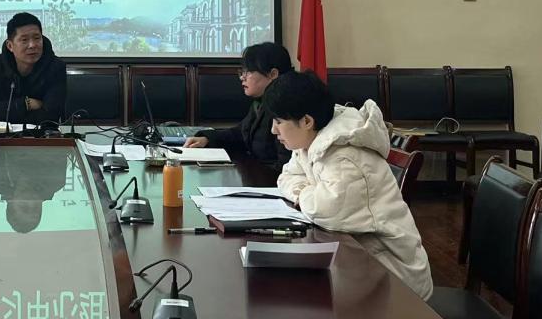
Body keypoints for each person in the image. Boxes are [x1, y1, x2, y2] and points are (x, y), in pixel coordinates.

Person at [266, 70, 433, 300]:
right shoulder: (309, 139)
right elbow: (286, 177)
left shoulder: (346, 156)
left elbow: (326, 210)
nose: (273, 130)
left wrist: (302, 192)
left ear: (306, 121)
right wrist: (308, 193)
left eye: (278, 122)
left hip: (395, 278)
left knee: (292, 298)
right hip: (359, 264)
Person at [183, 42, 293, 168]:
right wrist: (206, 139)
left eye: (249, 72)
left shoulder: (286, 108)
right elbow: (240, 134)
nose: (242, 77)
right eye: (242, 72)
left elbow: (286, 166)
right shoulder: (261, 102)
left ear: (273, 74)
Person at [0, 12, 66, 125]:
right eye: (24, 40)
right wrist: (26, 104)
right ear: (10, 46)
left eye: (37, 38)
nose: (32, 45)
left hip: (39, 134)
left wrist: (6, 115)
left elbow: (52, 115)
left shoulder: (56, 67)